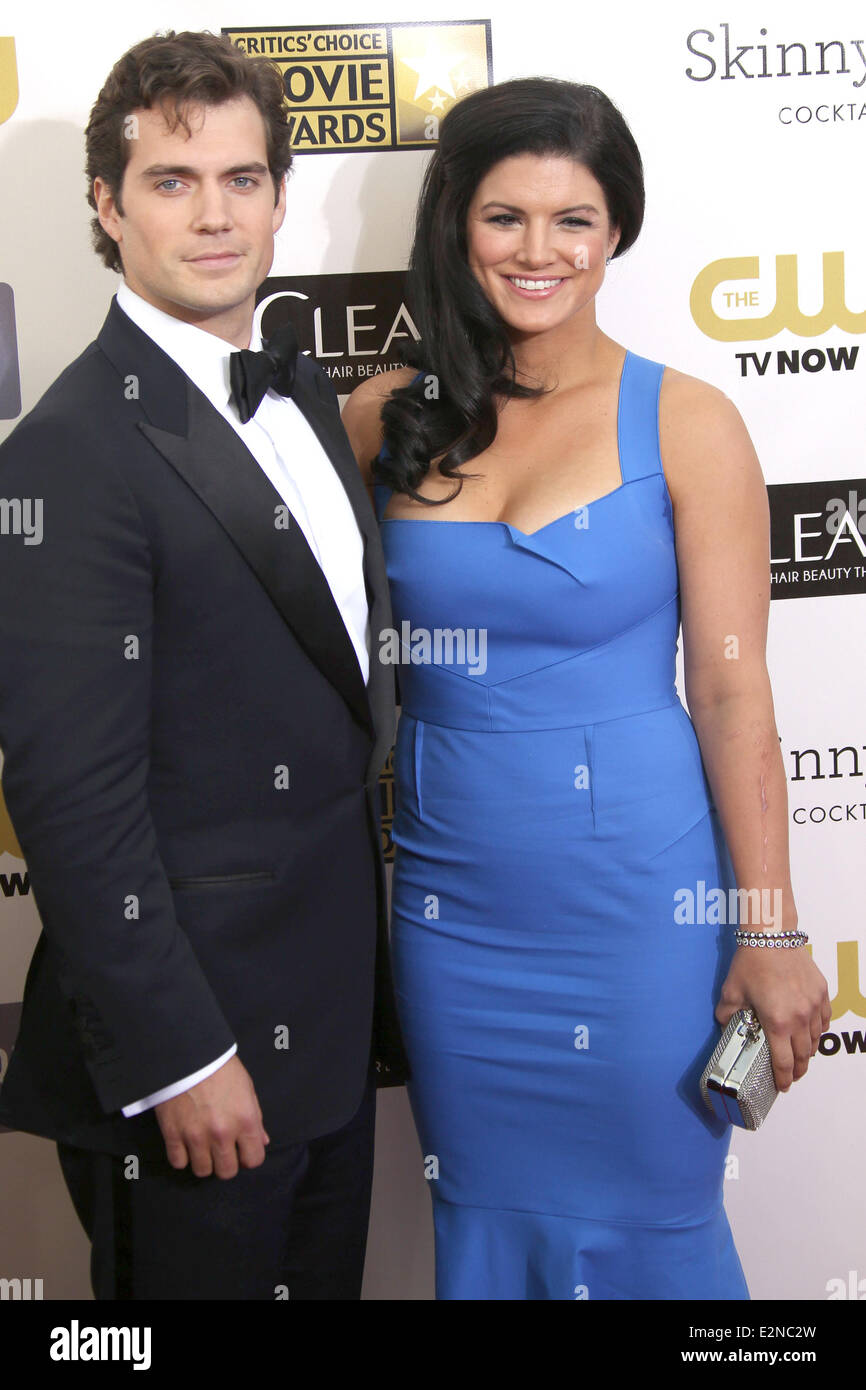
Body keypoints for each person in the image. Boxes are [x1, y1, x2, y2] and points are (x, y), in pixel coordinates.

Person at [342, 76, 830, 1301]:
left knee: (656, 1221)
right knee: (484, 1214)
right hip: (455, 911)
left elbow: (731, 698)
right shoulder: (378, 420)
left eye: (573, 218)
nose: (539, 250)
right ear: (454, 221)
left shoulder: (687, 421)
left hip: (636, 913)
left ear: (616, 230)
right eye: (505, 216)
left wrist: (766, 925)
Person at [0, 30, 407, 1300]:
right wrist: (179, 1057)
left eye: (242, 179)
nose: (215, 214)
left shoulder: (305, 399)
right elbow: (70, 800)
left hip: (328, 1036)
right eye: (173, 181)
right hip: (194, 1063)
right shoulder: (71, 450)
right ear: (105, 208)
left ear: (282, 197)